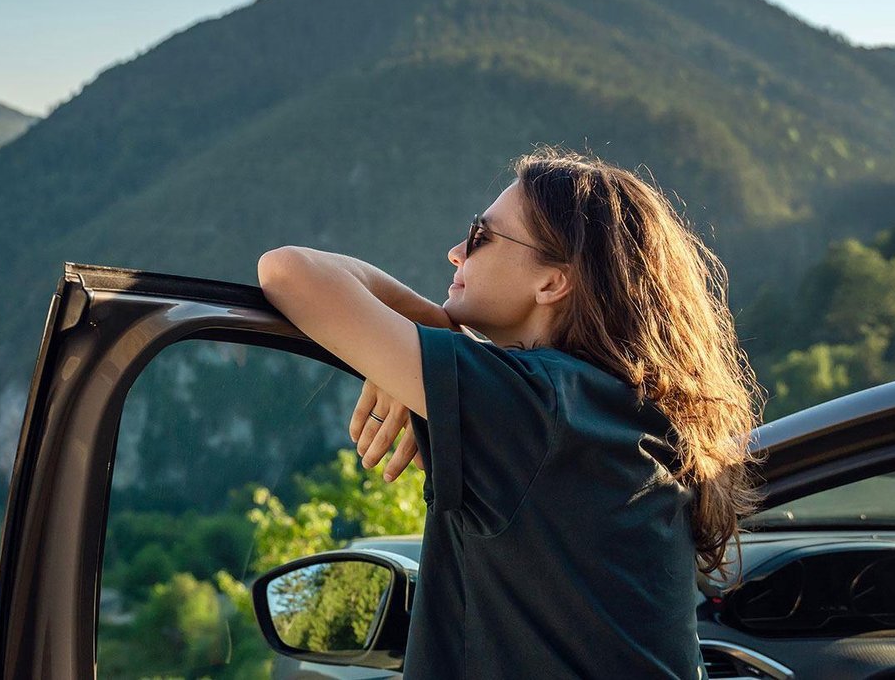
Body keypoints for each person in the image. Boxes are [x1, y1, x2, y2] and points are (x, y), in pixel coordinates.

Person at [256, 144, 766, 679]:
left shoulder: (537, 408)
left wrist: (431, 342)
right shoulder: (616, 411)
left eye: (481, 236)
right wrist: (429, 349)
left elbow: (288, 272)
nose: (457, 251)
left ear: (552, 281)